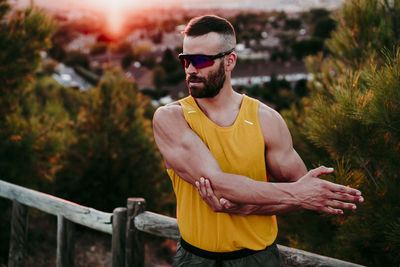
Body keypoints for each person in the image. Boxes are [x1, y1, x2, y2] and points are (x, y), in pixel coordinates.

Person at [152, 15, 364, 267]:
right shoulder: (171, 118)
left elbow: (300, 193)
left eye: (201, 60)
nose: (190, 69)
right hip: (194, 258)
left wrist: (251, 207)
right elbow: (217, 183)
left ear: (229, 61)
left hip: (258, 259)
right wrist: (297, 193)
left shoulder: (267, 120)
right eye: (186, 60)